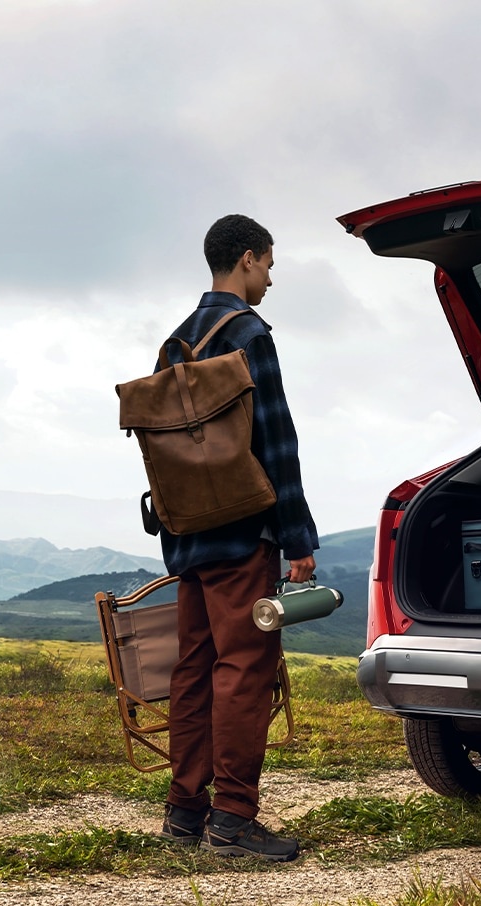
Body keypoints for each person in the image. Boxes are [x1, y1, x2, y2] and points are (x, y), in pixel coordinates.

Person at [154, 213, 319, 861]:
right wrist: (297, 537)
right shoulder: (250, 334)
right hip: (244, 533)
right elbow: (276, 440)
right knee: (245, 669)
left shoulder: (175, 343)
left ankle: (184, 812)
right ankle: (233, 820)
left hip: (188, 535)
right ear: (248, 258)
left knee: (194, 670)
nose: (270, 279)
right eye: (269, 265)